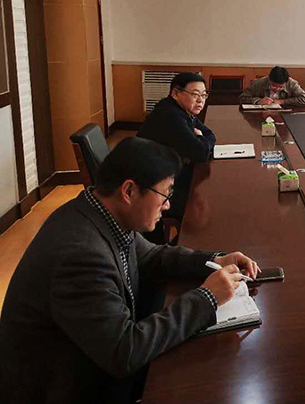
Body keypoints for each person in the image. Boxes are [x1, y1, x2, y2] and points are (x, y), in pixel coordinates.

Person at [0, 137, 261, 403]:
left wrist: (216, 260)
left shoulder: (99, 212)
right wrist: (207, 298)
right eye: (165, 194)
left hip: (92, 365)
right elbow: (124, 351)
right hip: (67, 389)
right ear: (129, 191)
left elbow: (152, 256)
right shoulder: (81, 255)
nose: (168, 205)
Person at [137, 72, 216, 227]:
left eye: (204, 95)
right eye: (195, 94)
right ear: (175, 94)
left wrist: (200, 137)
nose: (200, 100)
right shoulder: (170, 115)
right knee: (207, 201)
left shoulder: (183, 111)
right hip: (151, 186)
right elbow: (200, 152)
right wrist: (200, 139)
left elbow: (210, 134)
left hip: (166, 174)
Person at [239, 66, 305, 107]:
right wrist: (258, 101)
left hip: (285, 115)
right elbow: (242, 98)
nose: (277, 89)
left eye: (281, 87)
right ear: (269, 79)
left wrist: (282, 101)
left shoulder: (292, 84)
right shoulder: (258, 83)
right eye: (274, 85)